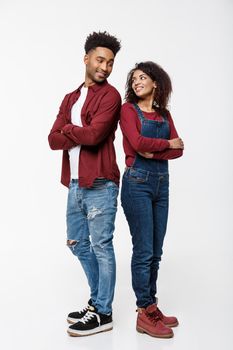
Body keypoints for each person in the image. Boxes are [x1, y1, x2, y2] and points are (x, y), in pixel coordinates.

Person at [48, 31, 121, 337]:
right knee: (77, 243)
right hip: (76, 184)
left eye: (111, 62)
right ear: (87, 58)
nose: (105, 67)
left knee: (101, 247)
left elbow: (94, 136)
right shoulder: (71, 97)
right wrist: (75, 129)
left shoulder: (111, 96)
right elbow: (52, 140)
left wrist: (69, 129)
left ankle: (103, 312)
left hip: (101, 183)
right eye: (101, 59)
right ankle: (96, 301)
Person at [120, 61, 184, 338]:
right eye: (133, 79)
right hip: (137, 184)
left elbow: (179, 149)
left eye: (142, 77)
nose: (136, 82)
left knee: (156, 252)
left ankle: (152, 306)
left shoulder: (164, 114)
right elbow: (136, 143)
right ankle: (143, 312)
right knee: (144, 250)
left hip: (162, 184)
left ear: (156, 82)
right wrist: (165, 145)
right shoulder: (128, 110)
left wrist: (155, 151)